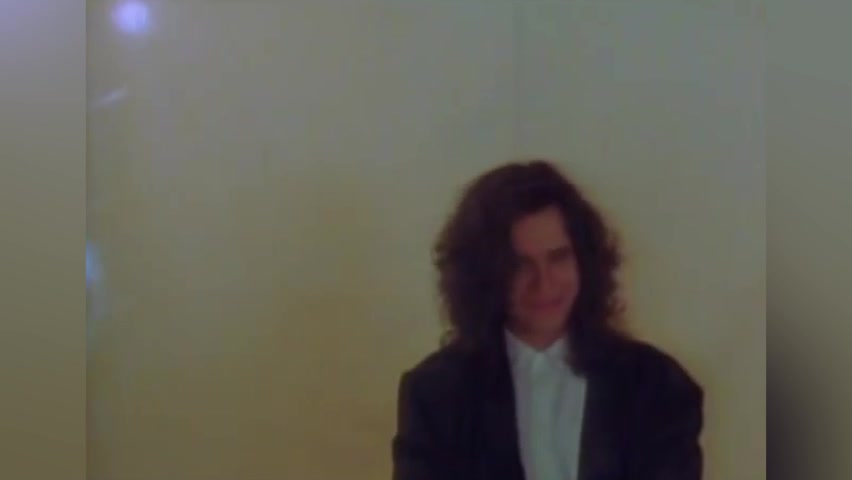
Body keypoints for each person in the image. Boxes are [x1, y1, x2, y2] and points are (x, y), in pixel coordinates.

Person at [391, 160, 703, 480]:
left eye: (558, 257)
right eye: (519, 265)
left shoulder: (658, 386)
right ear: (483, 274)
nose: (545, 283)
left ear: (585, 260)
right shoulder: (435, 394)